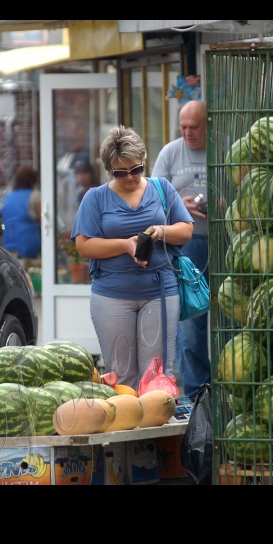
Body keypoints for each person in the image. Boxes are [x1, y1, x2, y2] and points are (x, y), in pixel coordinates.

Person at [73, 126, 194, 391]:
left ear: (144, 162)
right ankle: (129, 431)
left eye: (136, 169)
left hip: (160, 291)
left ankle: (157, 433)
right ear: (109, 170)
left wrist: (161, 231)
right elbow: (84, 246)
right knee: (122, 374)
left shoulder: (161, 188)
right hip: (112, 295)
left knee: (157, 374)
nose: (130, 177)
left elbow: (186, 229)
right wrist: (126, 246)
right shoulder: (95, 197)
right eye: (120, 172)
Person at [152, 100, 210, 401]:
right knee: (190, 324)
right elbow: (151, 199)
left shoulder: (221, 149)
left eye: (194, 127)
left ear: (207, 124)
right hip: (185, 249)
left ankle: (220, 387)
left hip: (223, 244)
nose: (187, 133)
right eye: (183, 127)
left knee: (226, 321)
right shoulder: (171, 153)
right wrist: (178, 205)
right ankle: (197, 393)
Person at [1, 166, 42, 266]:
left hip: (9, 247)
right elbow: (44, 221)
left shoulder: (8, 197)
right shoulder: (35, 196)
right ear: (33, 180)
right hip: (29, 248)